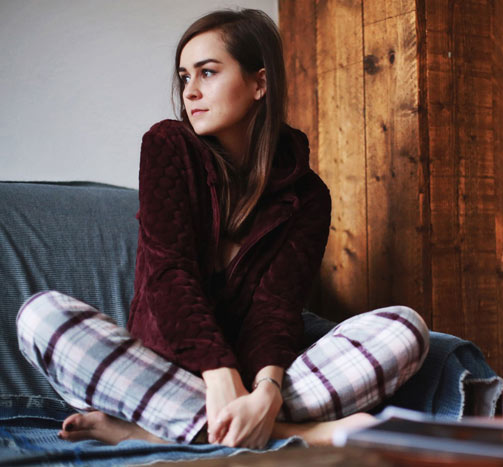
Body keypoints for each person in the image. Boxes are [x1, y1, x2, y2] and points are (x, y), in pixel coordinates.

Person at [16, 9, 429, 449]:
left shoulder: (308, 195)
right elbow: (169, 276)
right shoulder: (167, 145)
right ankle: (295, 433)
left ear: (259, 83)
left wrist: (266, 392)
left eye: (207, 73)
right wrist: (219, 376)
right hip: (156, 372)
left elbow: (277, 308)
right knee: (41, 318)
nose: (190, 91)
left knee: (405, 329)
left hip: (247, 378)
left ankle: (158, 432)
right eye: (184, 77)